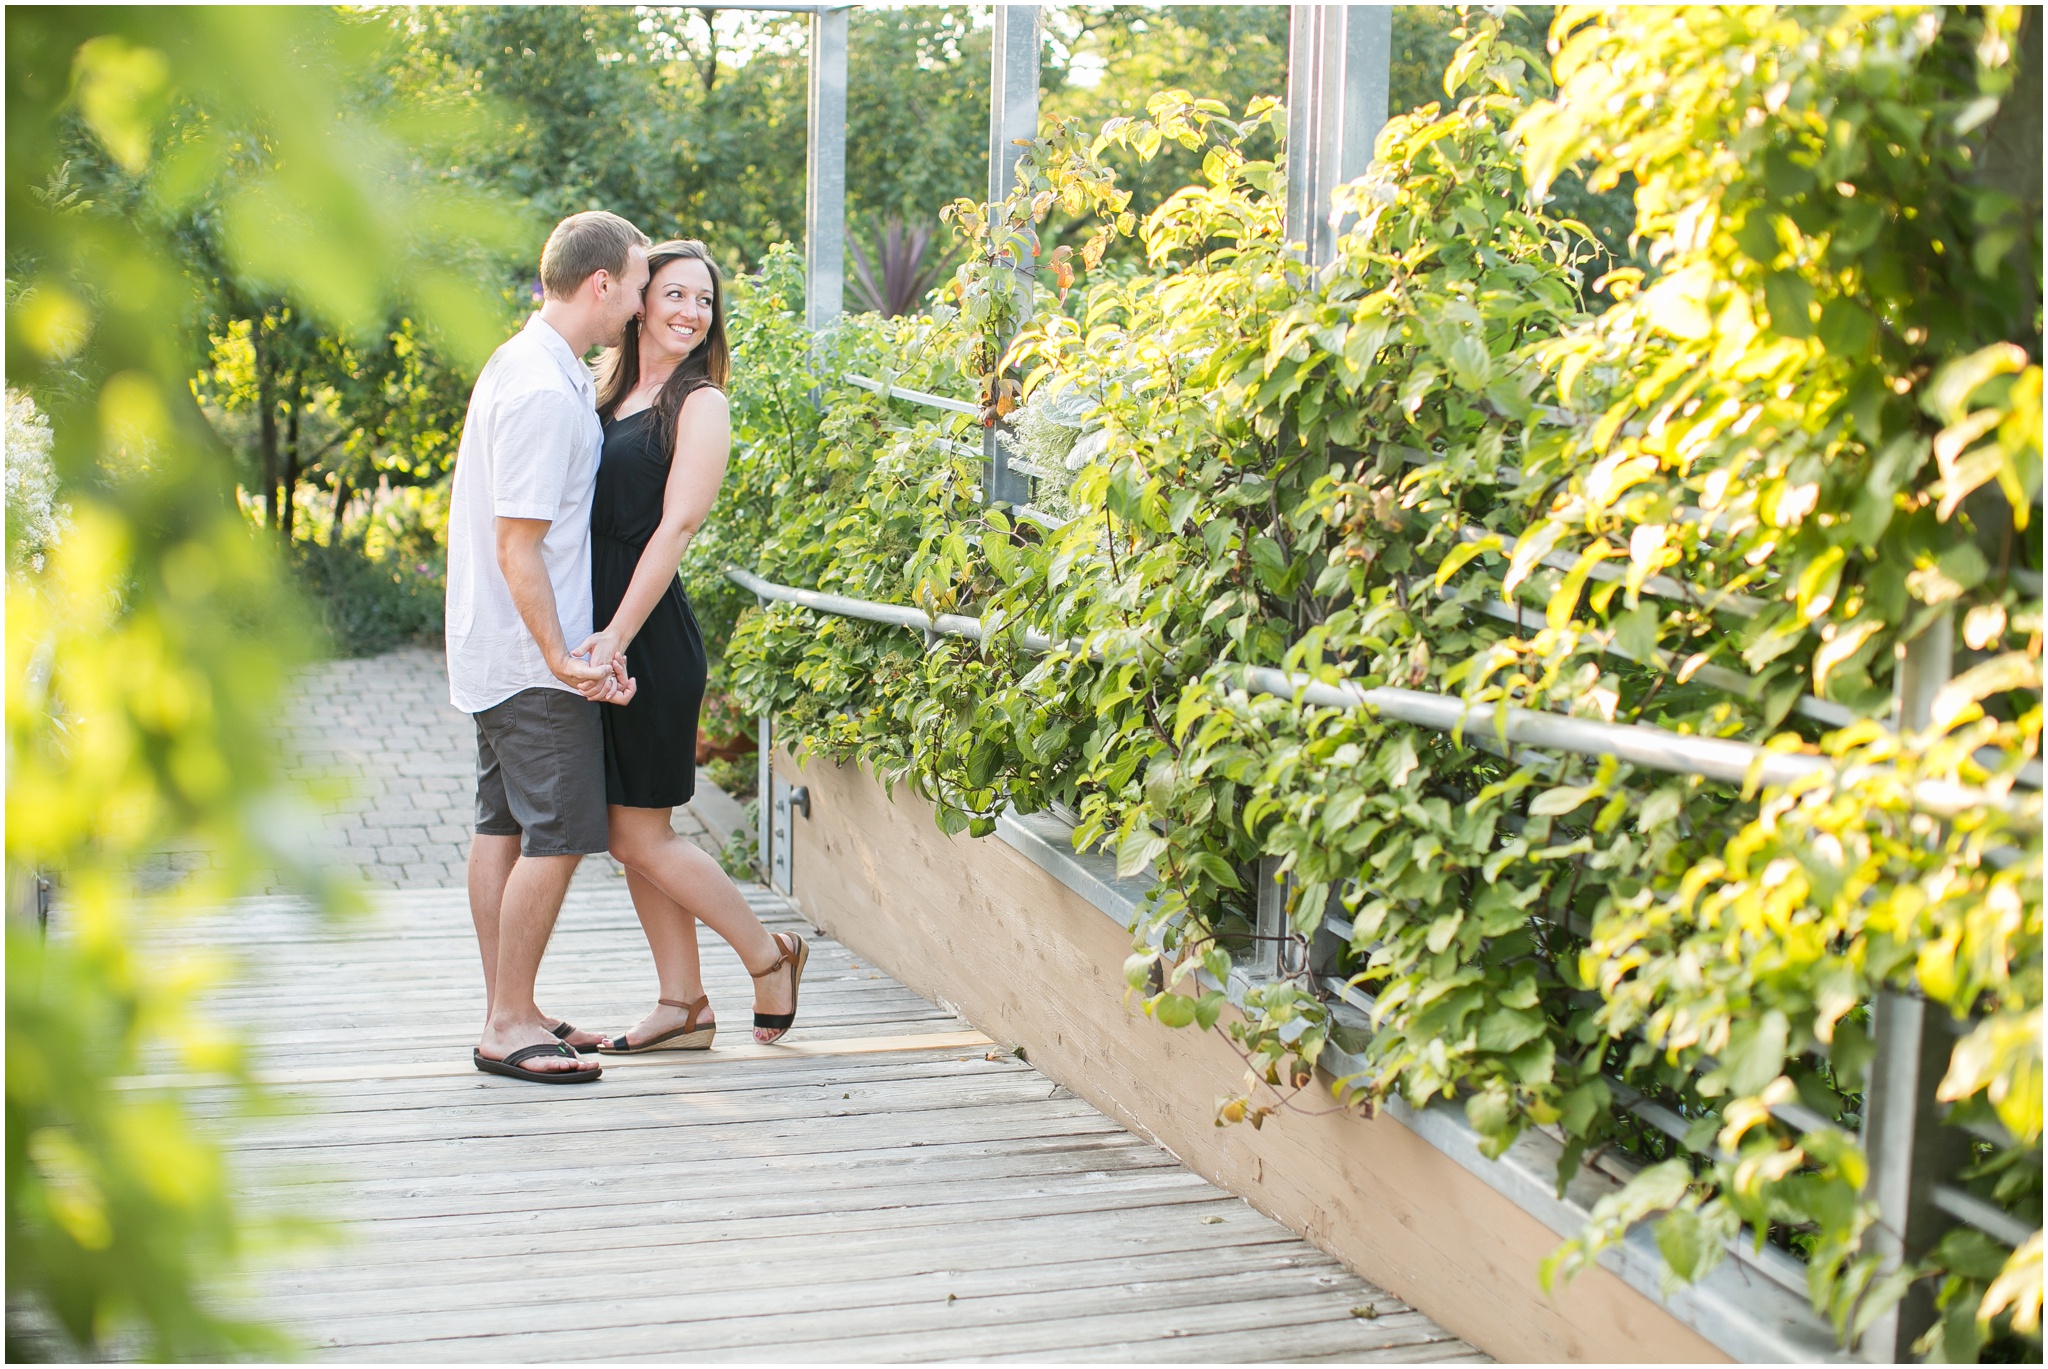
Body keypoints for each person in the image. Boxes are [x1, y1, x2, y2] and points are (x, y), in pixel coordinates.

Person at [577, 239, 808, 1054]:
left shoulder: (698, 401)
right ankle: (682, 1004)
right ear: (638, 301)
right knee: (632, 828)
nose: (689, 312)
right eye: (673, 293)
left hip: (645, 638)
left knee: (639, 832)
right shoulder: (606, 394)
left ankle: (766, 956)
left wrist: (616, 638)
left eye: (703, 301)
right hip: (599, 634)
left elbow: (677, 526)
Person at [445, 210, 650, 1083]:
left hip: (500, 651)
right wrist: (565, 658)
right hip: (533, 658)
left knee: (503, 824)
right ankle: (507, 1023)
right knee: (559, 834)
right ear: (601, 283)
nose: (642, 305)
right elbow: (517, 544)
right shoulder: (536, 388)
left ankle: (511, 1002)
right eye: (640, 286)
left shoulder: (536, 366)